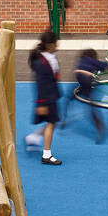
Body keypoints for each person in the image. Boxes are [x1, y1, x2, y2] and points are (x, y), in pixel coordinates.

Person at [25, 30, 64, 165]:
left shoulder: (45, 57)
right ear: (49, 45)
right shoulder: (43, 62)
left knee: (52, 122)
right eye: (55, 44)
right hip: (47, 98)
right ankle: (46, 154)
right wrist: (41, 103)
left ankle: (33, 137)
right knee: (51, 123)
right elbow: (41, 83)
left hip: (50, 96)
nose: (57, 46)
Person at [67, 47, 108, 143]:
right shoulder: (93, 61)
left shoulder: (81, 60)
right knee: (91, 105)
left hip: (79, 77)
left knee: (71, 96)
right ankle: (100, 127)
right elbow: (105, 67)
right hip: (87, 80)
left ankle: (64, 117)